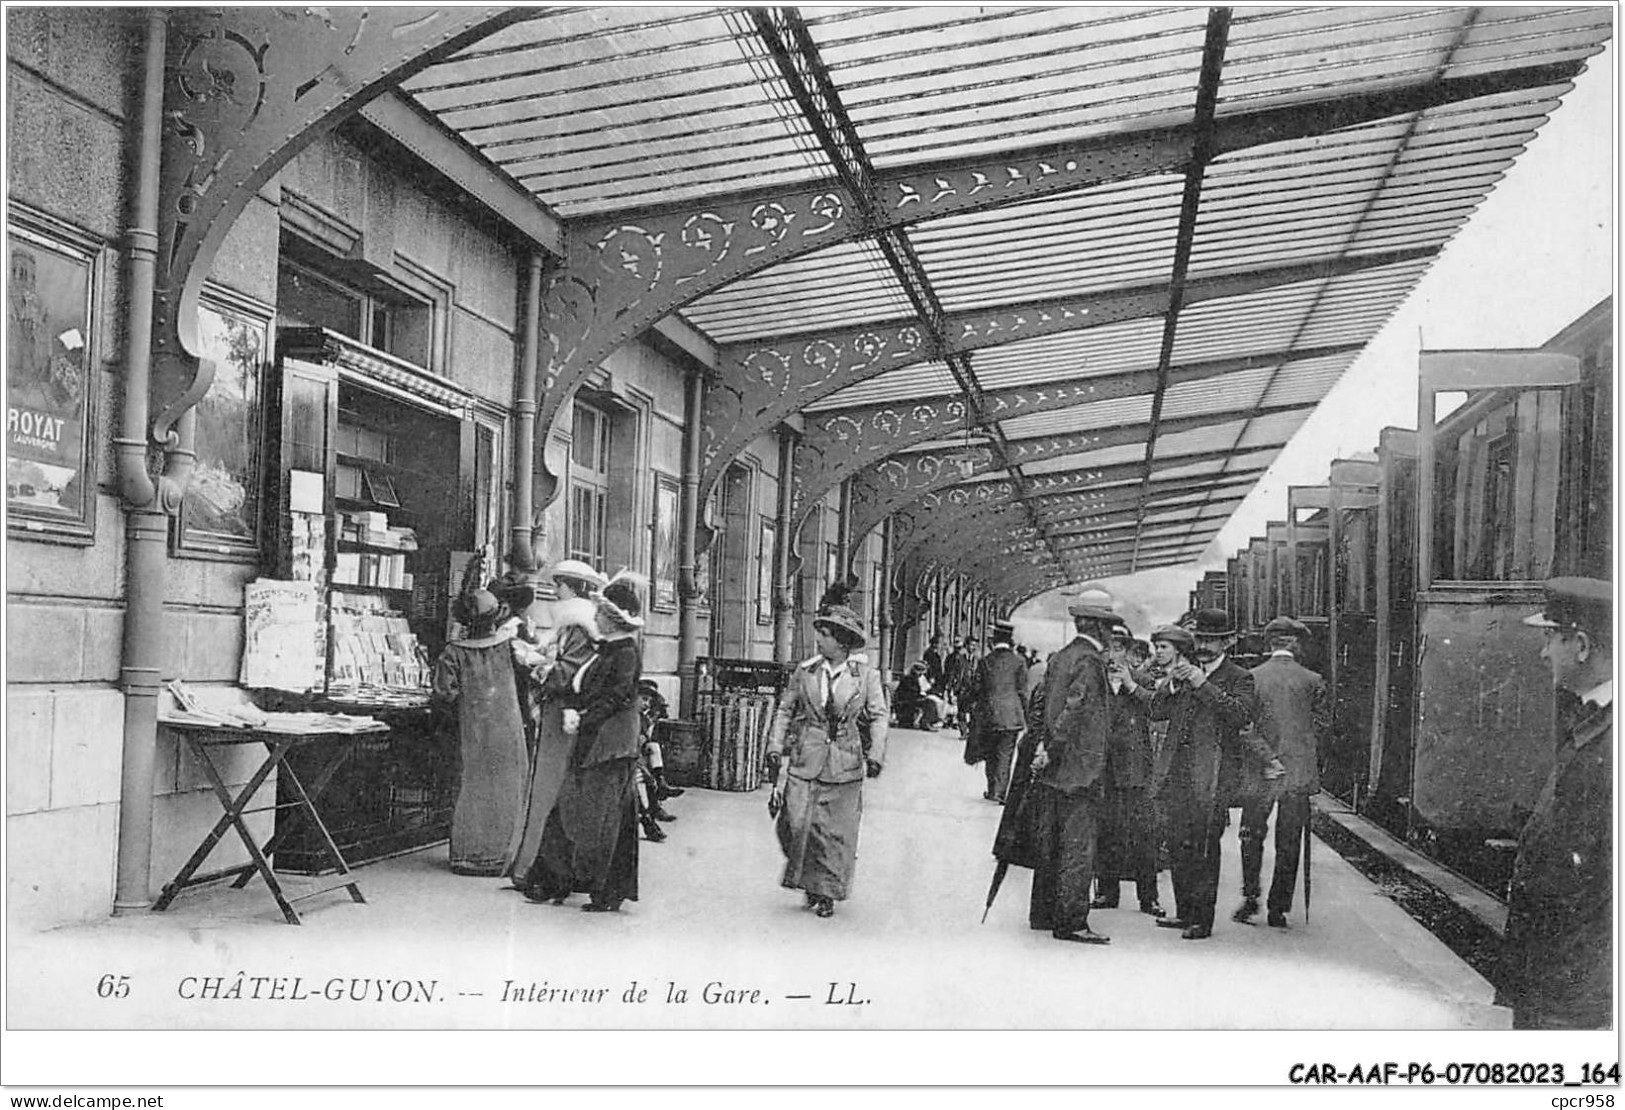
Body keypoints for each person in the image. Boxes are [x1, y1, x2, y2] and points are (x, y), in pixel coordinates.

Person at [1496, 577, 1612, 1029]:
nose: (1544, 653)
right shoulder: (1593, 719)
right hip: (1556, 972)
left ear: (1581, 645)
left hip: (1575, 983)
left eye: (1550, 637)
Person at [1134, 611, 1273, 940]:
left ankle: (1202, 919)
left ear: (1226, 642)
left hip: (1212, 775)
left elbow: (1240, 716)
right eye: (1200, 640)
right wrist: (1170, 685)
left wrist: (1202, 683)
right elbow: (1156, 711)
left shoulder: (1240, 677)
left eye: (1212, 640)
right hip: (1177, 773)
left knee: (1204, 848)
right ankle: (1184, 912)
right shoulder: (1183, 672)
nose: (1204, 646)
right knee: (1179, 845)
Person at [521, 572, 648, 912]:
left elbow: (618, 696)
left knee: (600, 818)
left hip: (610, 743)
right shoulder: (610, 649)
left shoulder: (624, 653)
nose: (596, 619)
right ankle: (556, 880)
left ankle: (596, 888)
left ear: (614, 618)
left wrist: (583, 715)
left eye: (602, 615)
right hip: (597, 739)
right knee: (576, 811)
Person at [765, 594, 889, 918]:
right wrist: (775, 746)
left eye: (824, 634)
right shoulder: (805, 672)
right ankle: (809, 879)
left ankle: (826, 891)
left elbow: (879, 715)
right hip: (806, 757)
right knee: (793, 823)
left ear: (841, 641)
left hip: (845, 762)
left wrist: (875, 753)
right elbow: (784, 709)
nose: (818, 638)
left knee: (833, 832)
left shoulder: (865, 677)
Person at [1025, 587, 1117, 945]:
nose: (1110, 634)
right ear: (1096, 625)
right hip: (1081, 770)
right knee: (1079, 846)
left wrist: (1044, 747)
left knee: (1051, 844)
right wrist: (1056, 744)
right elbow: (1076, 708)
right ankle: (1072, 921)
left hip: (1054, 771)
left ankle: (1043, 913)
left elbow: (1042, 704)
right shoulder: (1090, 662)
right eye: (1107, 626)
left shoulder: (1061, 656)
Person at [508, 559, 607, 889]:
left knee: (551, 788)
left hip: (563, 716)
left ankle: (539, 867)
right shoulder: (575, 624)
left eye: (560, 586)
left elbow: (569, 673)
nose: (556, 593)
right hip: (562, 715)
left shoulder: (577, 626)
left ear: (572, 589)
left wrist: (535, 662)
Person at [1235, 616, 1328, 927]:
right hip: (1297, 775)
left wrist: (1268, 758)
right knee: (1289, 841)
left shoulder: (1250, 677)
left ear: (1269, 643)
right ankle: (1279, 908)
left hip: (1261, 771)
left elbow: (1244, 728)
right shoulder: (1313, 680)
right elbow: (1323, 729)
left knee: (1251, 835)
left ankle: (1250, 898)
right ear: (1295, 643)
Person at [431, 577, 528, 877]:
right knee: (508, 786)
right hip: (508, 726)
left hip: (473, 729)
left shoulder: (454, 652)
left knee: (473, 786)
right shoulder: (509, 647)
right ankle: (504, 854)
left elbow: (444, 693)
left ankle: (470, 854)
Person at [1096, 620, 1165, 916]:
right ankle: (1106, 892)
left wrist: (1130, 685)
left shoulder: (1142, 681)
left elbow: (1158, 708)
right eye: (1109, 648)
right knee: (1107, 832)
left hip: (1137, 771)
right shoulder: (1094, 680)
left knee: (1143, 836)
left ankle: (1148, 897)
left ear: (1127, 652)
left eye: (1119, 648)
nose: (1113, 655)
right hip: (1103, 769)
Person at [964, 619, 1028, 803]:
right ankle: (1001, 792)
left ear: (995, 639)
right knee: (1005, 755)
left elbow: (977, 689)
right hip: (1012, 716)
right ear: (1010, 639)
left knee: (991, 753)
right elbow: (1023, 692)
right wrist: (1028, 718)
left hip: (989, 715)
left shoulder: (985, 661)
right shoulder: (1019, 661)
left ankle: (992, 789)